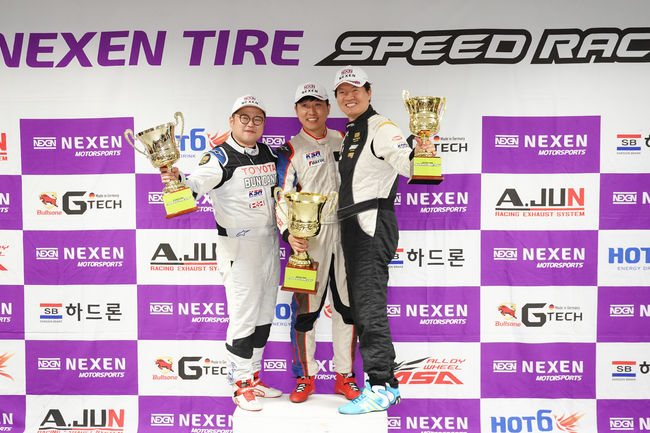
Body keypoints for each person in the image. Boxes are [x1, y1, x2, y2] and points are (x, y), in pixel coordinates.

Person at [160, 95, 282, 412]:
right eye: (244, 117)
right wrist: (177, 180)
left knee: (264, 315)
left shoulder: (269, 154)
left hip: (270, 242)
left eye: (257, 119)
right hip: (239, 246)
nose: (251, 124)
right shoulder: (219, 157)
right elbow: (196, 184)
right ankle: (240, 384)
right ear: (231, 121)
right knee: (243, 317)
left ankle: (253, 377)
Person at [332, 67, 437, 415]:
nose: (349, 96)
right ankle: (383, 384)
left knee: (369, 307)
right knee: (362, 309)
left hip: (371, 223)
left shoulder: (381, 127)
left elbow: (409, 166)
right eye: (342, 91)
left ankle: (381, 386)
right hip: (354, 225)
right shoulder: (353, 130)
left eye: (355, 89)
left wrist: (424, 146)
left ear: (369, 91)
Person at [276, 82, 361, 404]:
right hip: (310, 238)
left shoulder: (346, 139)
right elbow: (281, 196)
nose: (311, 111)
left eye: (317, 105)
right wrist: (289, 233)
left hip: (349, 233)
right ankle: (305, 377)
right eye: (304, 105)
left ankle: (345, 376)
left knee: (347, 310)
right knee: (306, 313)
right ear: (296, 110)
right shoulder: (290, 149)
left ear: (327, 108)